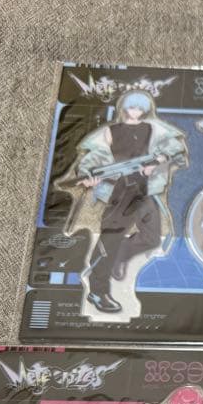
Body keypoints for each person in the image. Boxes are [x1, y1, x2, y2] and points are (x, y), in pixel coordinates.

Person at [73, 90, 187, 314]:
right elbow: (95, 156)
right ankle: (97, 291)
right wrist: (88, 175)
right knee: (109, 241)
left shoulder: (151, 128)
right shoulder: (111, 131)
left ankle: (121, 254)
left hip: (145, 191)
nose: (136, 112)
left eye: (140, 108)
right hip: (121, 192)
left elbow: (176, 148)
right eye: (132, 107)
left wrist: (158, 161)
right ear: (124, 108)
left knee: (152, 237)